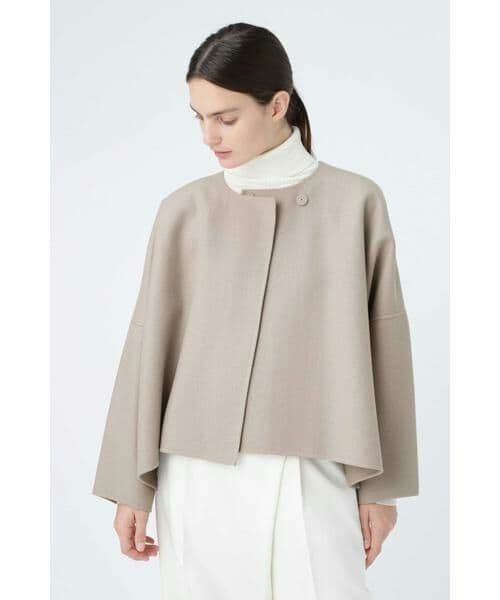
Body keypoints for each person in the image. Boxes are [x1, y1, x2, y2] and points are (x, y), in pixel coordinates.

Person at [92, 22, 419, 600]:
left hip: (317, 464)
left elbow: (385, 346)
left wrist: (382, 488)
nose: (208, 136)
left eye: (226, 118)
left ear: (277, 105)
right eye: (199, 117)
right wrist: (130, 487)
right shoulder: (184, 211)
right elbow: (148, 345)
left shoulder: (355, 203)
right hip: (196, 470)